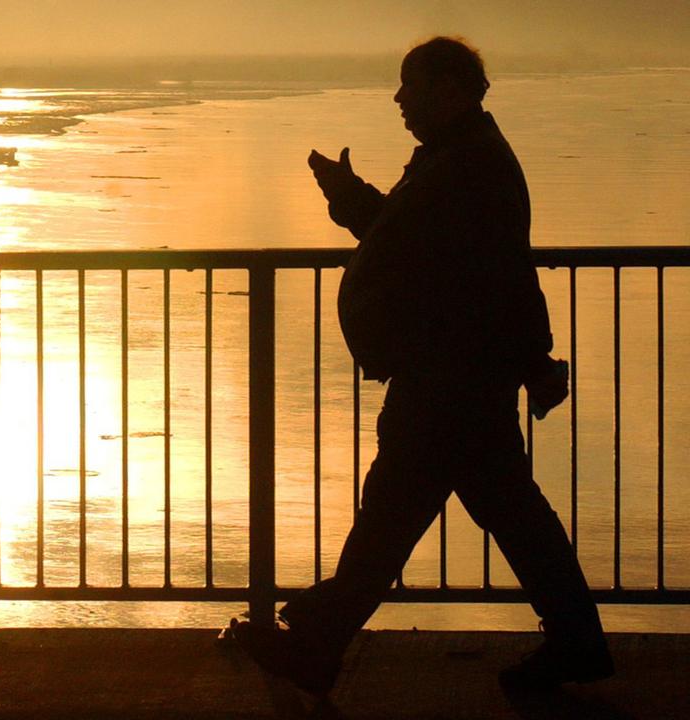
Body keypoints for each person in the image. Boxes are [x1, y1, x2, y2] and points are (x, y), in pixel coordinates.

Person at [228, 36, 612, 696]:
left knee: (407, 516)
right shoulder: (453, 160)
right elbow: (413, 244)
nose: (400, 98)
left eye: (412, 85)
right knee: (471, 514)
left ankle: (321, 639)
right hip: (450, 375)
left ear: (450, 89)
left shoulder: (471, 166)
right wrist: (351, 198)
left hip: (450, 379)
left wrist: (532, 361)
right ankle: (574, 642)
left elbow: (498, 277)